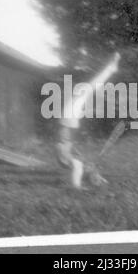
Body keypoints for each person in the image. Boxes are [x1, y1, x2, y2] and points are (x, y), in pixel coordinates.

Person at [56, 52, 121, 190]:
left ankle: (93, 179)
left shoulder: (72, 110)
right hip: (64, 150)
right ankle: (77, 187)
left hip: (66, 146)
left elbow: (67, 138)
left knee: (84, 164)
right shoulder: (69, 113)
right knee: (79, 165)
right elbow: (64, 140)